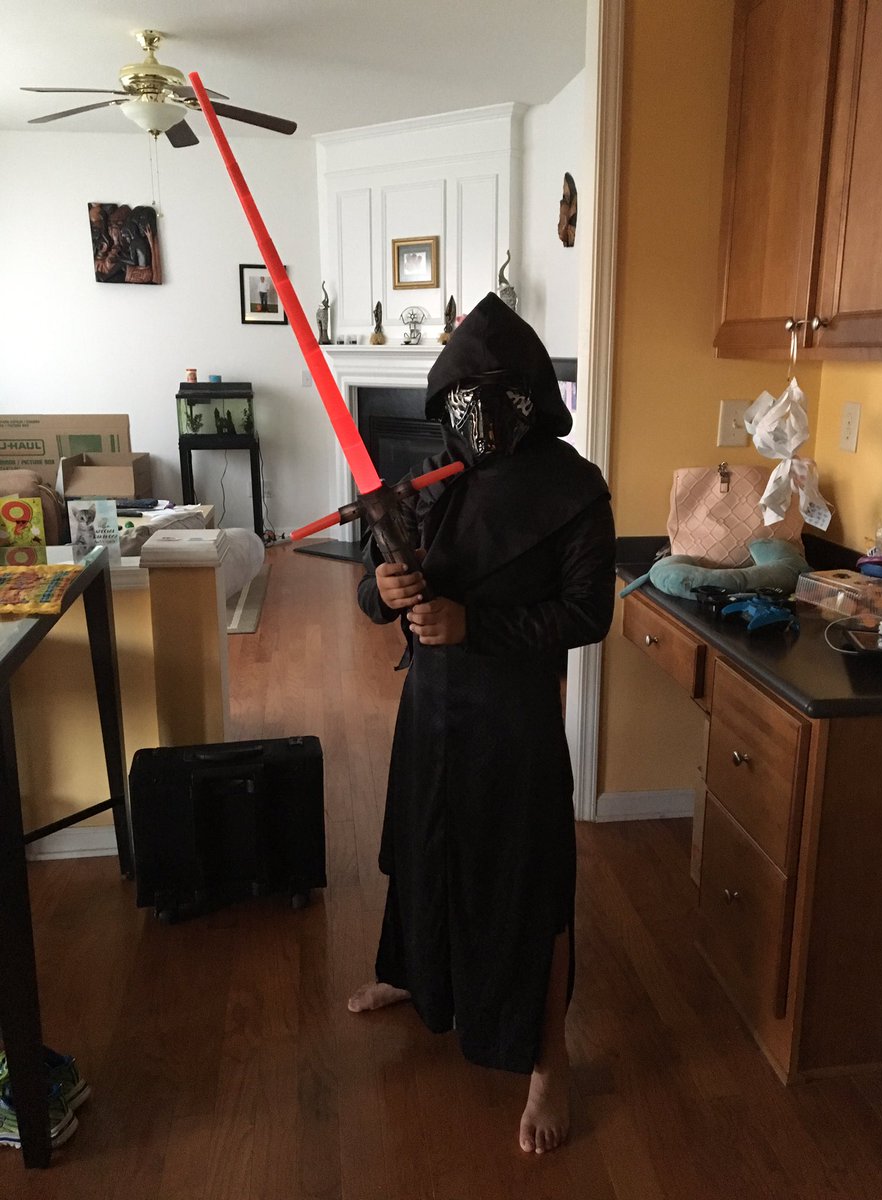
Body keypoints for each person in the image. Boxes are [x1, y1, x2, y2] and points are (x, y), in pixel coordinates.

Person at [349, 293, 616, 1154]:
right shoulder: (430, 482)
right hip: (429, 710)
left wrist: (477, 626)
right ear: (443, 400)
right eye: (463, 398)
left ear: (533, 396)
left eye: (498, 396)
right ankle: (413, 974)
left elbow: (587, 614)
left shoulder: (576, 490)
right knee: (421, 850)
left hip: (515, 723)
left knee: (529, 884)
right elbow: (372, 592)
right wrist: (382, 590)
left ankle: (548, 1062)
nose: (479, 416)